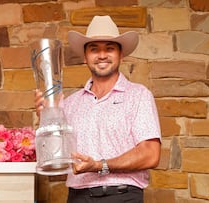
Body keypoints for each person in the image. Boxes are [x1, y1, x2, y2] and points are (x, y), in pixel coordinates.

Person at [35, 15, 161, 203]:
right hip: (78, 197)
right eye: (94, 49)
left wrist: (99, 165)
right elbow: (56, 157)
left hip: (123, 197)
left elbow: (151, 154)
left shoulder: (138, 96)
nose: (102, 55)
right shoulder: (69, 104)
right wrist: (46, 119)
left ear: (121, 55)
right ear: (85, 57)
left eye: (109, 48)